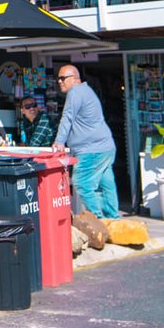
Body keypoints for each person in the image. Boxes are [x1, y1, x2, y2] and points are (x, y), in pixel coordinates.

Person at [52, 66, 119, 219]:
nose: (59, 81)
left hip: (91, 149)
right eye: (59, 78)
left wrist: (59, 141)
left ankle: (99, 220)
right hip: (105, 146)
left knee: (82, 182)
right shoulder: (87, 91)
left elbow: (67, 117)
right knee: (105, 185)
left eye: (63, 78)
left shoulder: (75, 92)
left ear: (75, 78)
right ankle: (113, 220)